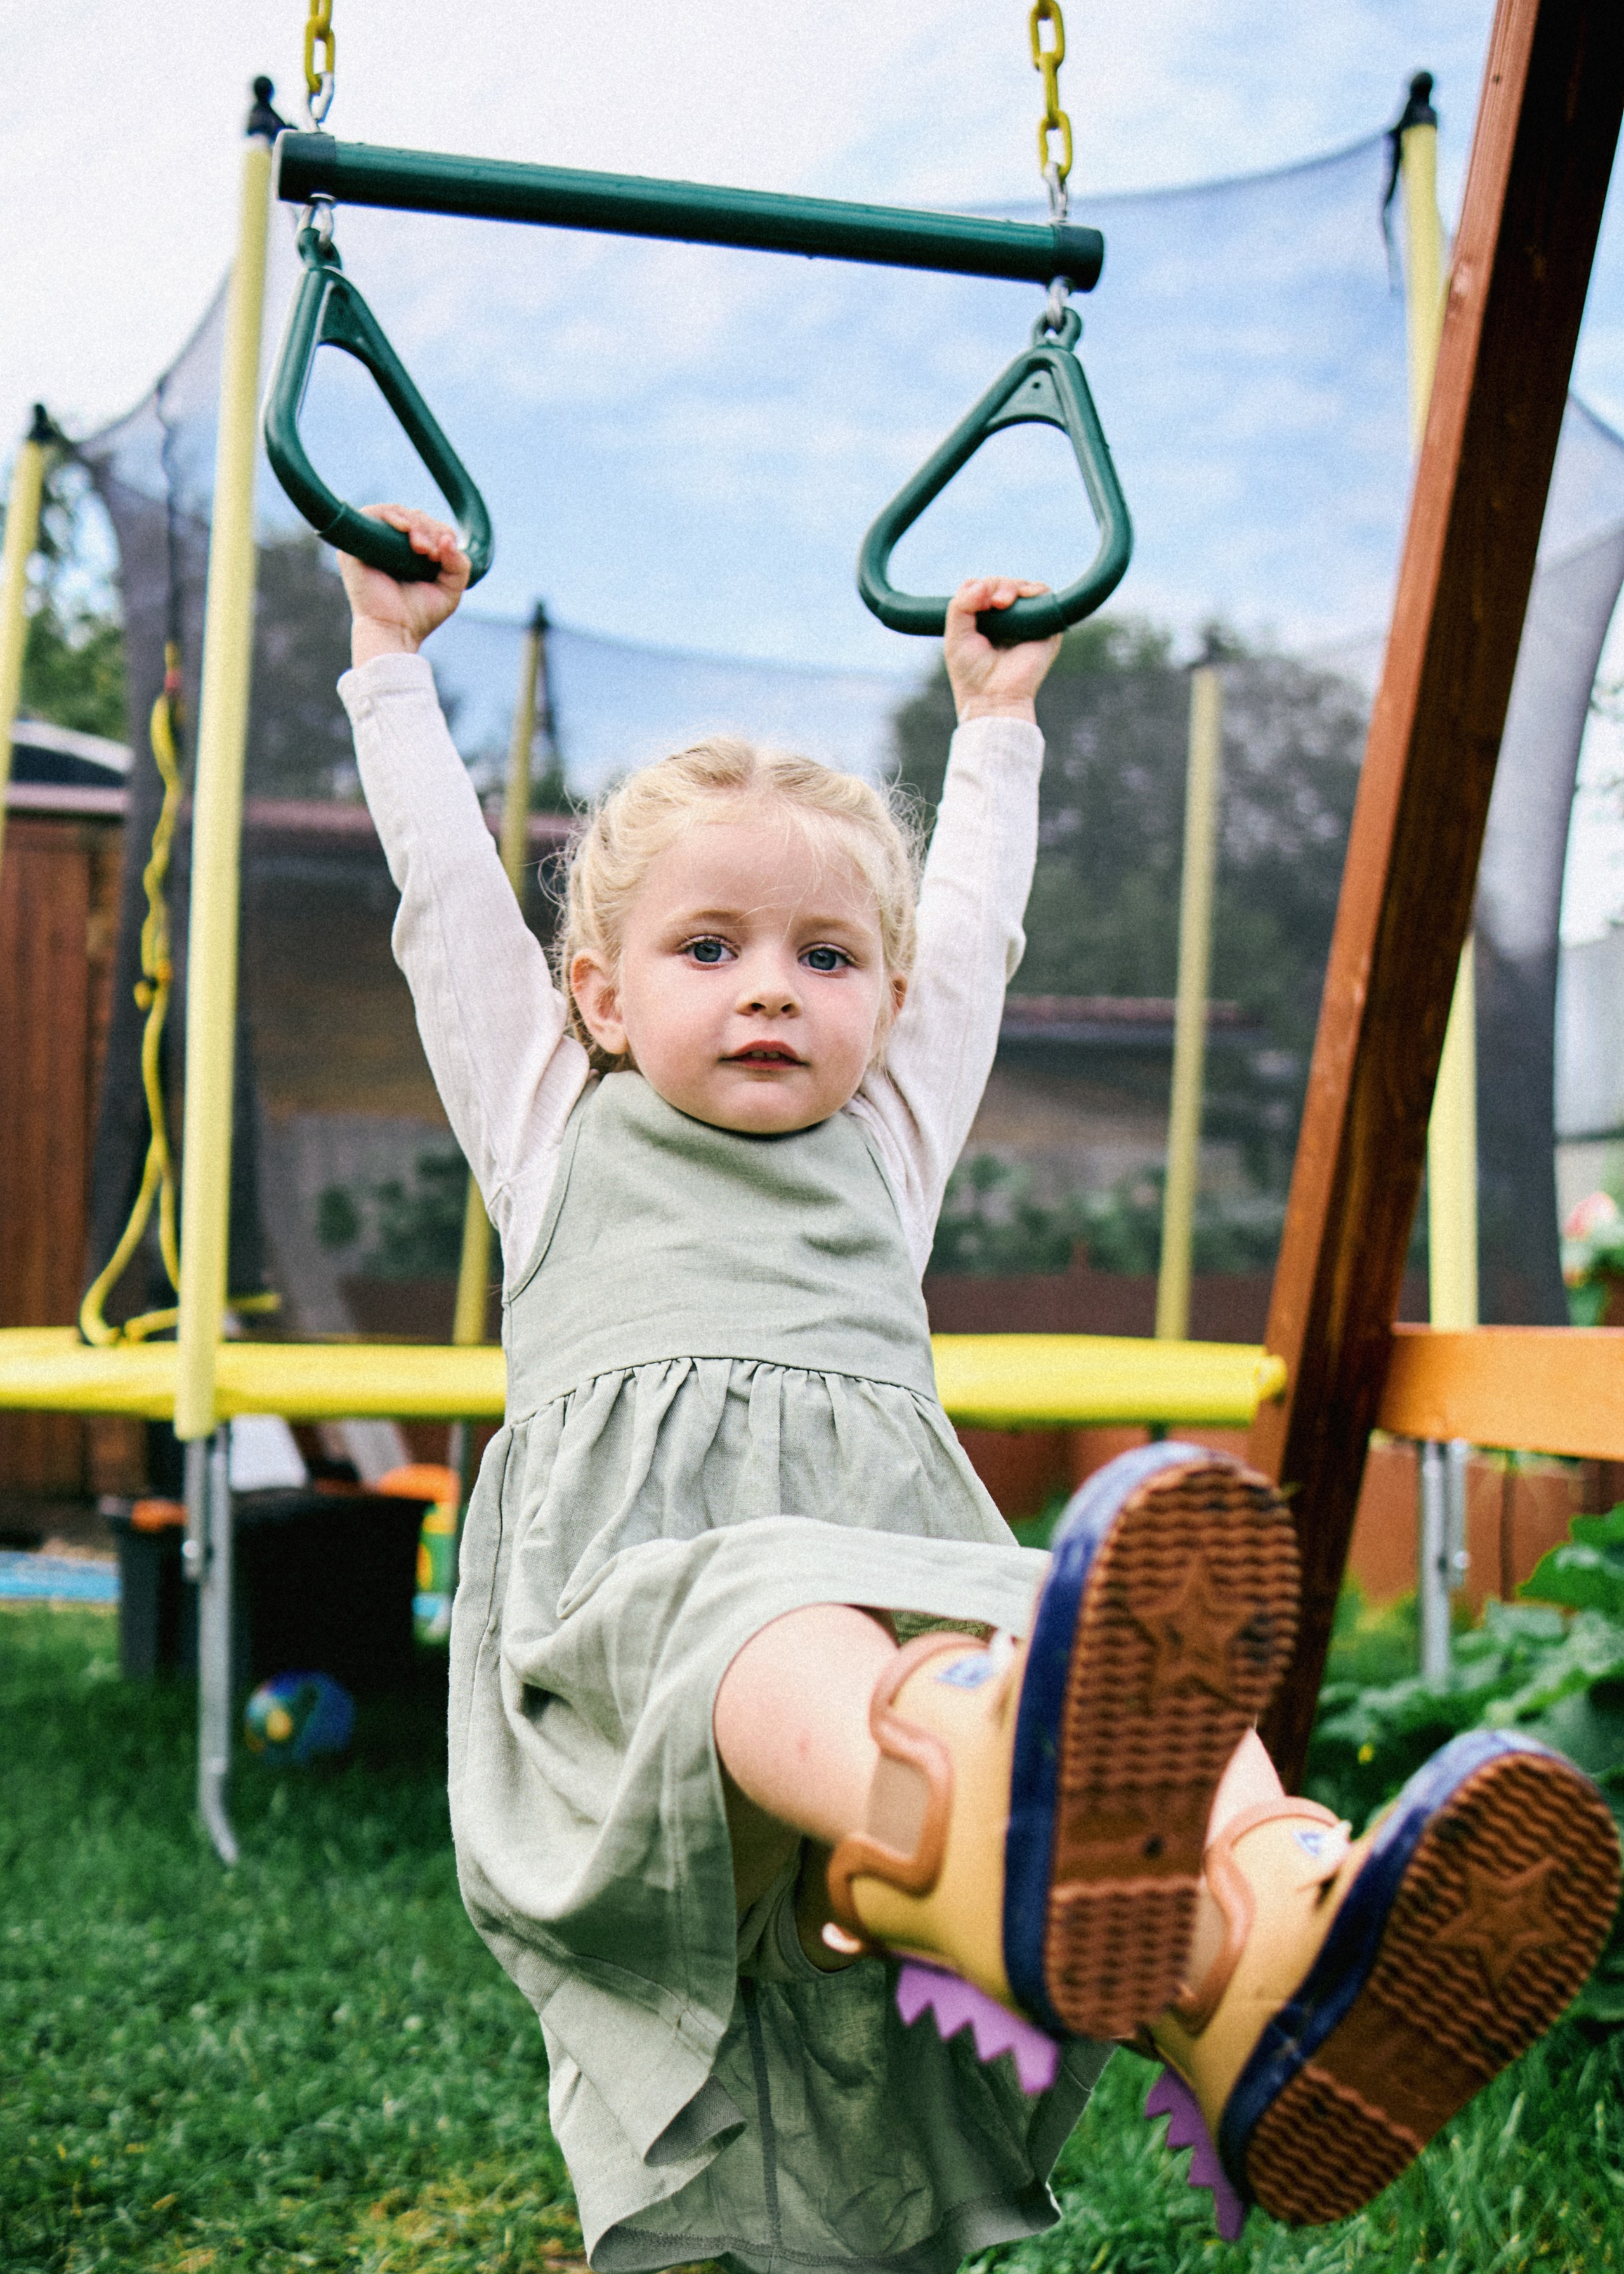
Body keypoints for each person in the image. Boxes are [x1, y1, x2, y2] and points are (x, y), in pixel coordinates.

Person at [337, 506, 1620, 2267]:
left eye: (826, 956)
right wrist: (387, 663)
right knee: (764, 1613)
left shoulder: (889, 1134)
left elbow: (976, 930)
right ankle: (975, 1806)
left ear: (883, 998)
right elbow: (441, 902)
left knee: (1120, 1633)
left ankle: (1274, 1941)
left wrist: (999, 717)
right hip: (643, 1622)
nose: (774, 988)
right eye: (710, 949)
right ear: (599, 994)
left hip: (896, 1570)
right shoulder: (550, 1120)